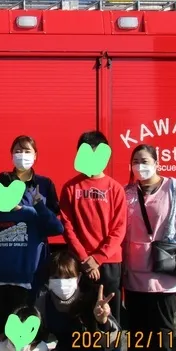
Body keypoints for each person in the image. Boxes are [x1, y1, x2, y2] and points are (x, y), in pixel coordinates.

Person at [123, 144, 176, 351]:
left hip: (165, 268)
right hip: (135, 268)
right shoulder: (127, 193)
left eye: (144, 160)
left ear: (157, 162)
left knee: (162, 322)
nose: (140, 166)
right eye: (135, 161)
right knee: (136, 320)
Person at [0, 171, 64, 341]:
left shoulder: (31, 214)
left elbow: (57, 228)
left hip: (23, 283)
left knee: (21, 327)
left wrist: (40, 205)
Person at [39, 250, 130, 351]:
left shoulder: (94, 298)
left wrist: (103, 322)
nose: (62, 283)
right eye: (56, 278)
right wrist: (6, 337)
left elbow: (114, 342)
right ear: (49, 280)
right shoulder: (44, 301)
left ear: (79, 278)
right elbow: (32, 329)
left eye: (68, 278)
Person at [58, 131, 127, 323]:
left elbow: (119, 228)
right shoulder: (70, 188)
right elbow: (67, 226)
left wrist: (97, 258)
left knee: (109, 312)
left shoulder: (115, 189)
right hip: (80, 263)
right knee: (82, 312)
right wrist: (85, 259)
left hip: (109, 262)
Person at [10, 135, 60, 214]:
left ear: (35, 156)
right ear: (12, 155)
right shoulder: (2, 182)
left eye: (27, 152)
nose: (23, 155)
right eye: (18, 152)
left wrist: (35, 209)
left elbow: (54, 214)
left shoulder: (45, 183)